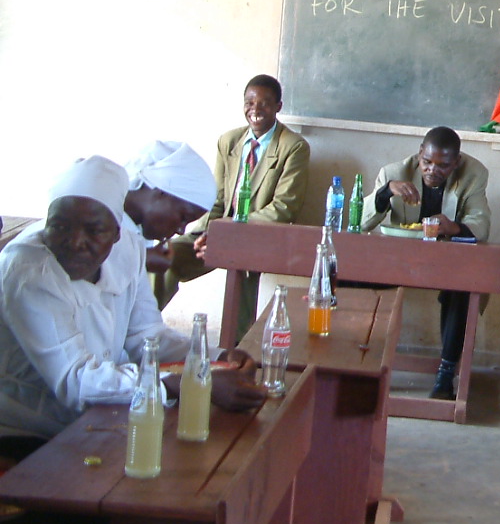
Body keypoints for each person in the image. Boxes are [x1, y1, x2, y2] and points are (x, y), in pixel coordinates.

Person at [0, 156, 264, 463]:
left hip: (95, 417)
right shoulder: (30, 269)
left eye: (94, 230)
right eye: (59, 226)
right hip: (29, 428)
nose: (75, 241)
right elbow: (75, 380)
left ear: (117, 233)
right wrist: (182, 382)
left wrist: (215, 359)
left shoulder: (128, 248)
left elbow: (146, 336)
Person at [161, 75, 311, 340]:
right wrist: (208, 231)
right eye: (250, 102)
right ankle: (139, 327)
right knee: (166, 256)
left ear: (278, 106)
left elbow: (284, 208)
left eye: (265, 103)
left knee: (241, 264)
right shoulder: (228, 141)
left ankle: (236, 349)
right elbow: (217, 199)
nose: (256, 110)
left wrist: (230, 232)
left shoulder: (294, 146)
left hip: (257, 234)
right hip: (217, 231)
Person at [361, 126, 491, 400]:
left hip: (446, 264)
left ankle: (446, 372)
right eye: (427, 162)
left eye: (443, 166)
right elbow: (360, 222)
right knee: (346, 275)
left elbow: (481, 225)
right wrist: (385, 193)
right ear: (419, 154)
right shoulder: (394, 173)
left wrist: (453, 227)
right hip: (400, 261)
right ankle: (357, 364)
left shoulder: (473, 175)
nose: (433, 170)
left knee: (464, 287)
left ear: (456, 162)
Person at [123, 141, 217, 275]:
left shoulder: (137, 236)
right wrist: (139, 262)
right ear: (161, 192)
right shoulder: (100, 214)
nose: (181, 231)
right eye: (183, 218)